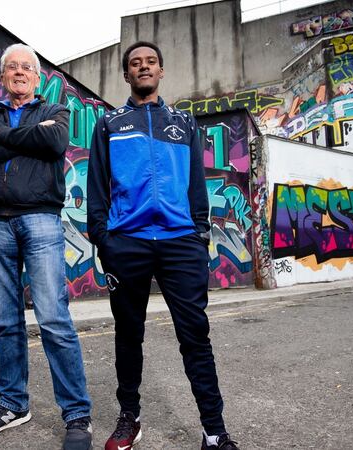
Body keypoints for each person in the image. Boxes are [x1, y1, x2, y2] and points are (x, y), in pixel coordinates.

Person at [87, 41, 240, 450]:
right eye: (135, 63)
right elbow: (97, 186)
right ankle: (130, 419)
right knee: (128, 335)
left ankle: (214, 432)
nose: (144, 67)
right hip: (127, 243)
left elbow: (196, 185)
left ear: (161, 71)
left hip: (180, 242)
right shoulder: (110, 124)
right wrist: (105, 240)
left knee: (195, 336)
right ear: (126, 75)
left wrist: (199, 234)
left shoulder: (184, 123)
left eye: (151, 62)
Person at [0, 43, 93, 450]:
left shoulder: (54, 111)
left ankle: (77, 414)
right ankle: (12, 404)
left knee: (53, 318)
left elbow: (54, 142)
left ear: (36, 77)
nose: (19, 72)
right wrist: (20, 139)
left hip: (40, 219)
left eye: (26, 67)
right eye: (12, 67)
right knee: (5, 321)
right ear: (3, 76)